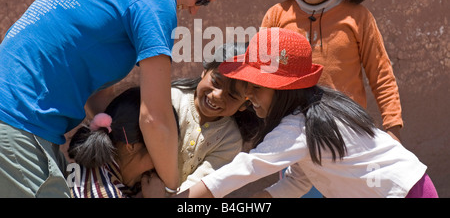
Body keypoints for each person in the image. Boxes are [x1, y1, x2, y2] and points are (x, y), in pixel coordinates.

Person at [0, 0, 250, 197]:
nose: (195, 10)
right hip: (18, 122)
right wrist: (170, 188)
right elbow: (154, 117)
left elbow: (93, 83)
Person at [143, 28, 438, 198]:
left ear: (283, 90)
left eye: (257, 88)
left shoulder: (298, 128)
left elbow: (244, 168)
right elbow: (297, 181)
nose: (249, 96)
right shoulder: (313, 113)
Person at [261, 0, 402, 142]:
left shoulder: (358, 17)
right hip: (292, 130)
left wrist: (393, 128)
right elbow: (262, 73)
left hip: (346, 128)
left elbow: (381, 74)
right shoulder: (277, 16)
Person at [171, 43, 262, 192]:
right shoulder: (172, 100)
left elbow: (201, 184)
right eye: (215, 82)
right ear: (204, 71)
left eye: (232, 95)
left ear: (244, 105)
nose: (217, 95)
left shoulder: (230, 139)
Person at [67, 87, 179, 198]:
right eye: (162, 152)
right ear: (131, 146)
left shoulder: (100, 166)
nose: (165, 162)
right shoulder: (103, 192)